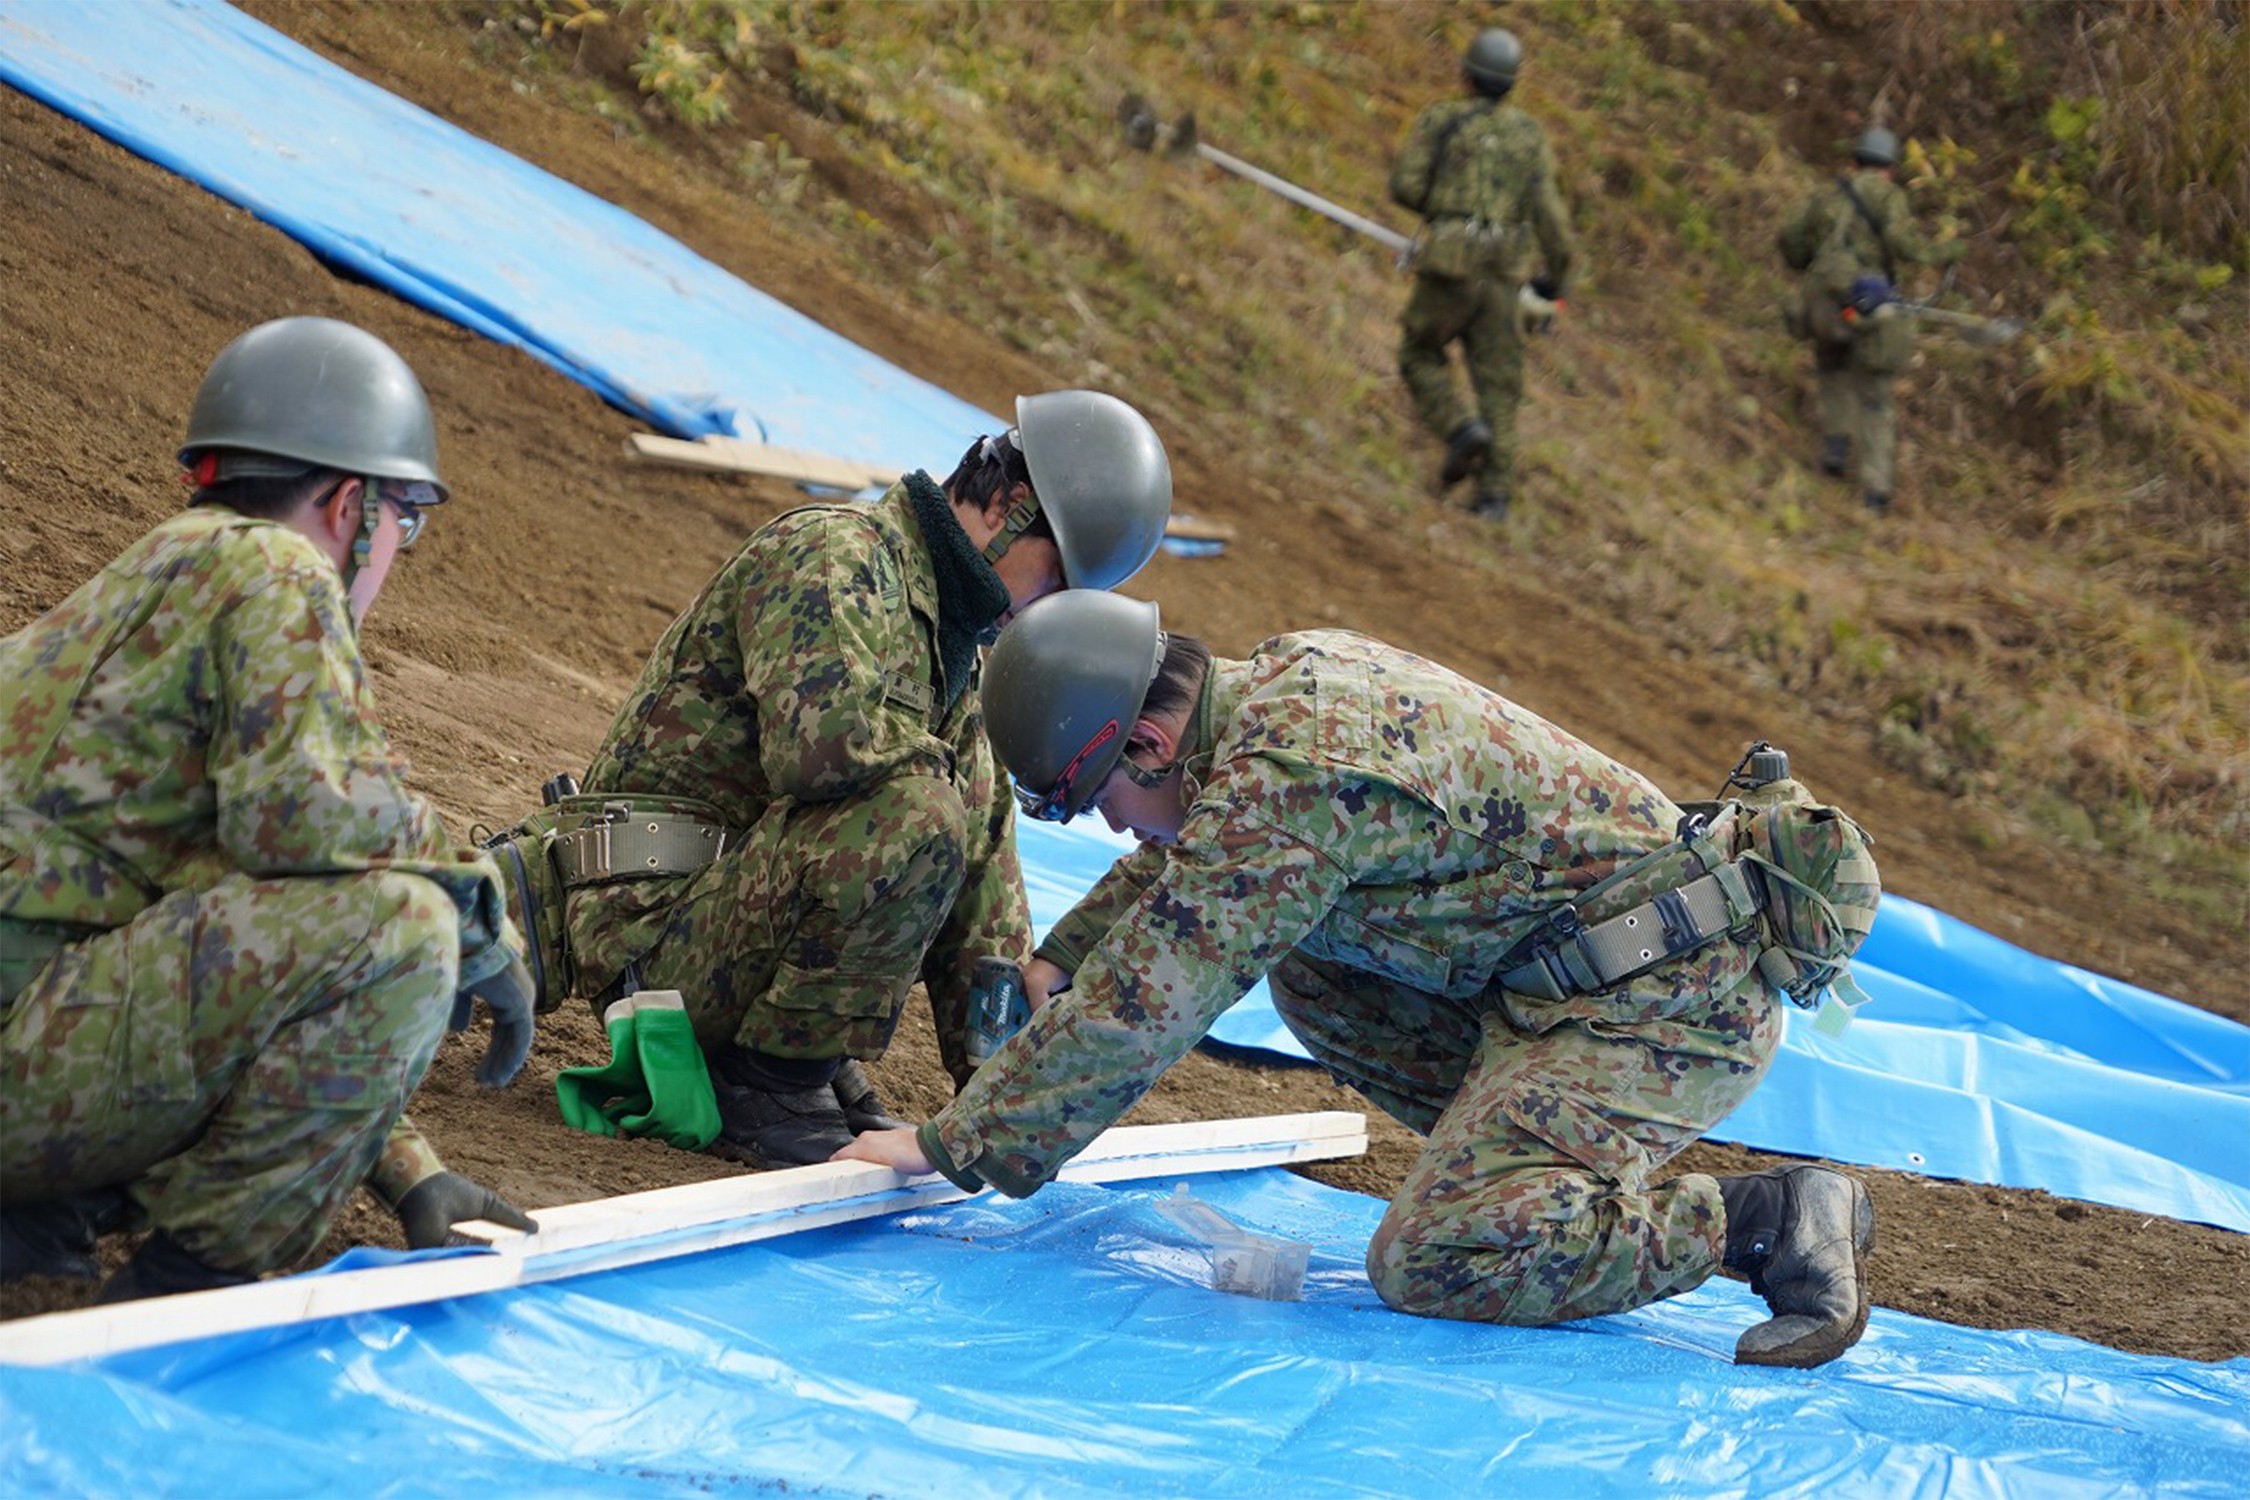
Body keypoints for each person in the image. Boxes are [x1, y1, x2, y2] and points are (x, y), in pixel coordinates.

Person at [842, 590, 1883, 1370]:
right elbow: (1196, 853)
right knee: (1310, 967)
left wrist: (954, 1144)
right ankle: (1528, 1176)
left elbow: (1141, 1010)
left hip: (1673, 1004)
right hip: (1568, 979)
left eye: (1099, 798)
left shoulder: (1291, 782)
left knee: (1430, 1259)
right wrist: (1063, 953)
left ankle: (1767, 1218)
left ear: (1153, 741)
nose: (1113, 825)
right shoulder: (1268, 695)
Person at [0, 316, 539, 1303]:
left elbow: (251, 927)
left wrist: (405, 1168)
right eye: (406, 518)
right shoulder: (279, 570)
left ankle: (37, 1220)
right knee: (409, 926)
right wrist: (475, 914)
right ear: (349, 504)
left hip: (28, 1036)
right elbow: (309, 829)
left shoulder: (153, 587)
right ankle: (182, 1288)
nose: (399, 549)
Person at [538, 392, 1172, 1168]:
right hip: (654, 944)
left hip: (729, 929)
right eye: (1058, 578)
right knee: (920, 806)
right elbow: (825, 754)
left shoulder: (955, 656)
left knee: (960, 805)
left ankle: (798, 1057)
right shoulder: (835, 555)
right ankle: (770, 1076)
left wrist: (999, 1091)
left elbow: (986, 897)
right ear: (1009, 506)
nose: (1048, 609)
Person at [1389, 26, 1576, 521]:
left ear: (1466, 74)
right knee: (1499, 384)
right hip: (1504, 275)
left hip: (1450, 266)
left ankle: (1458, 428)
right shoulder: (1530, 136)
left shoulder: (1442, 120)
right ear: (1513, 82)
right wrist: (1558, 276)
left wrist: (1449, 215)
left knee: (1417, 351)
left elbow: (1405, 185)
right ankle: (1493, 498)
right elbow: (1551, 217)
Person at [1778, 125, 1964, 512]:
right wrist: (1942, 253)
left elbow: (1791, 239)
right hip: (1863, 299)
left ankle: (1834, 445)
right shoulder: (1888, 195)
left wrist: (1810, 267)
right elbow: (1901, 241)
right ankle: (1875, 494)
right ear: (1890, 169)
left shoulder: (1827, 193)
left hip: (1821, 297)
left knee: (1830, 366)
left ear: (1854, 161)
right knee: (1876, 395)